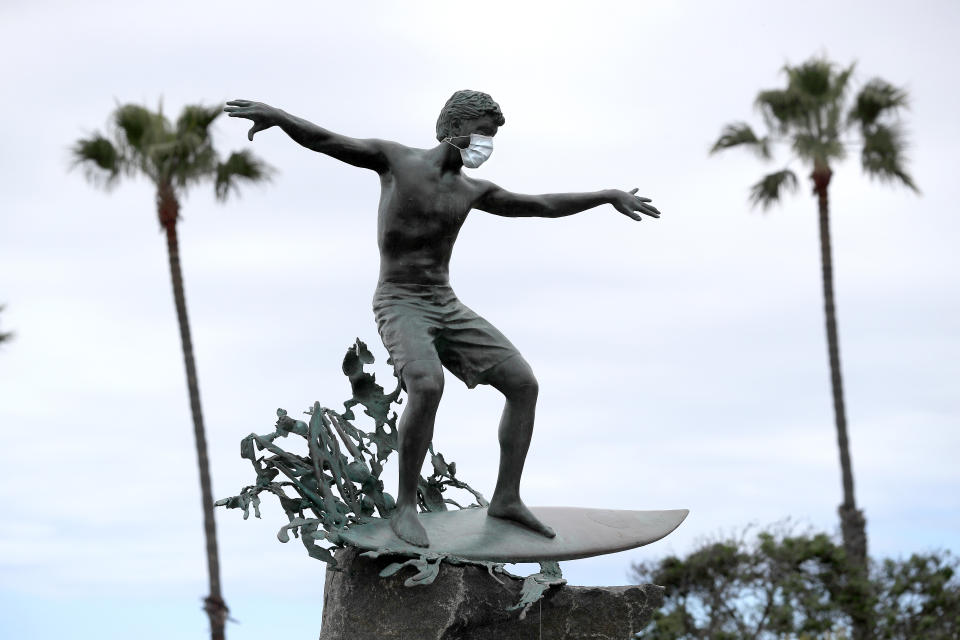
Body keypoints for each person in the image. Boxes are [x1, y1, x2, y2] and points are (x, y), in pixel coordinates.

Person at [224, 90, 661, 547]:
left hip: (445, 303)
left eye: (492, 137)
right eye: (484, 133)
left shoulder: (473, 190)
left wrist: (605, 195)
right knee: (428, 384)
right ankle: (406, 505)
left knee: (523, 384)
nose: (487, 145)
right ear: (455, 129)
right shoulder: (395, 160)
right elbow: (326, 140)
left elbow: (542, 204)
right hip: (400, 300)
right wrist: (278, 116)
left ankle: (506, 498)